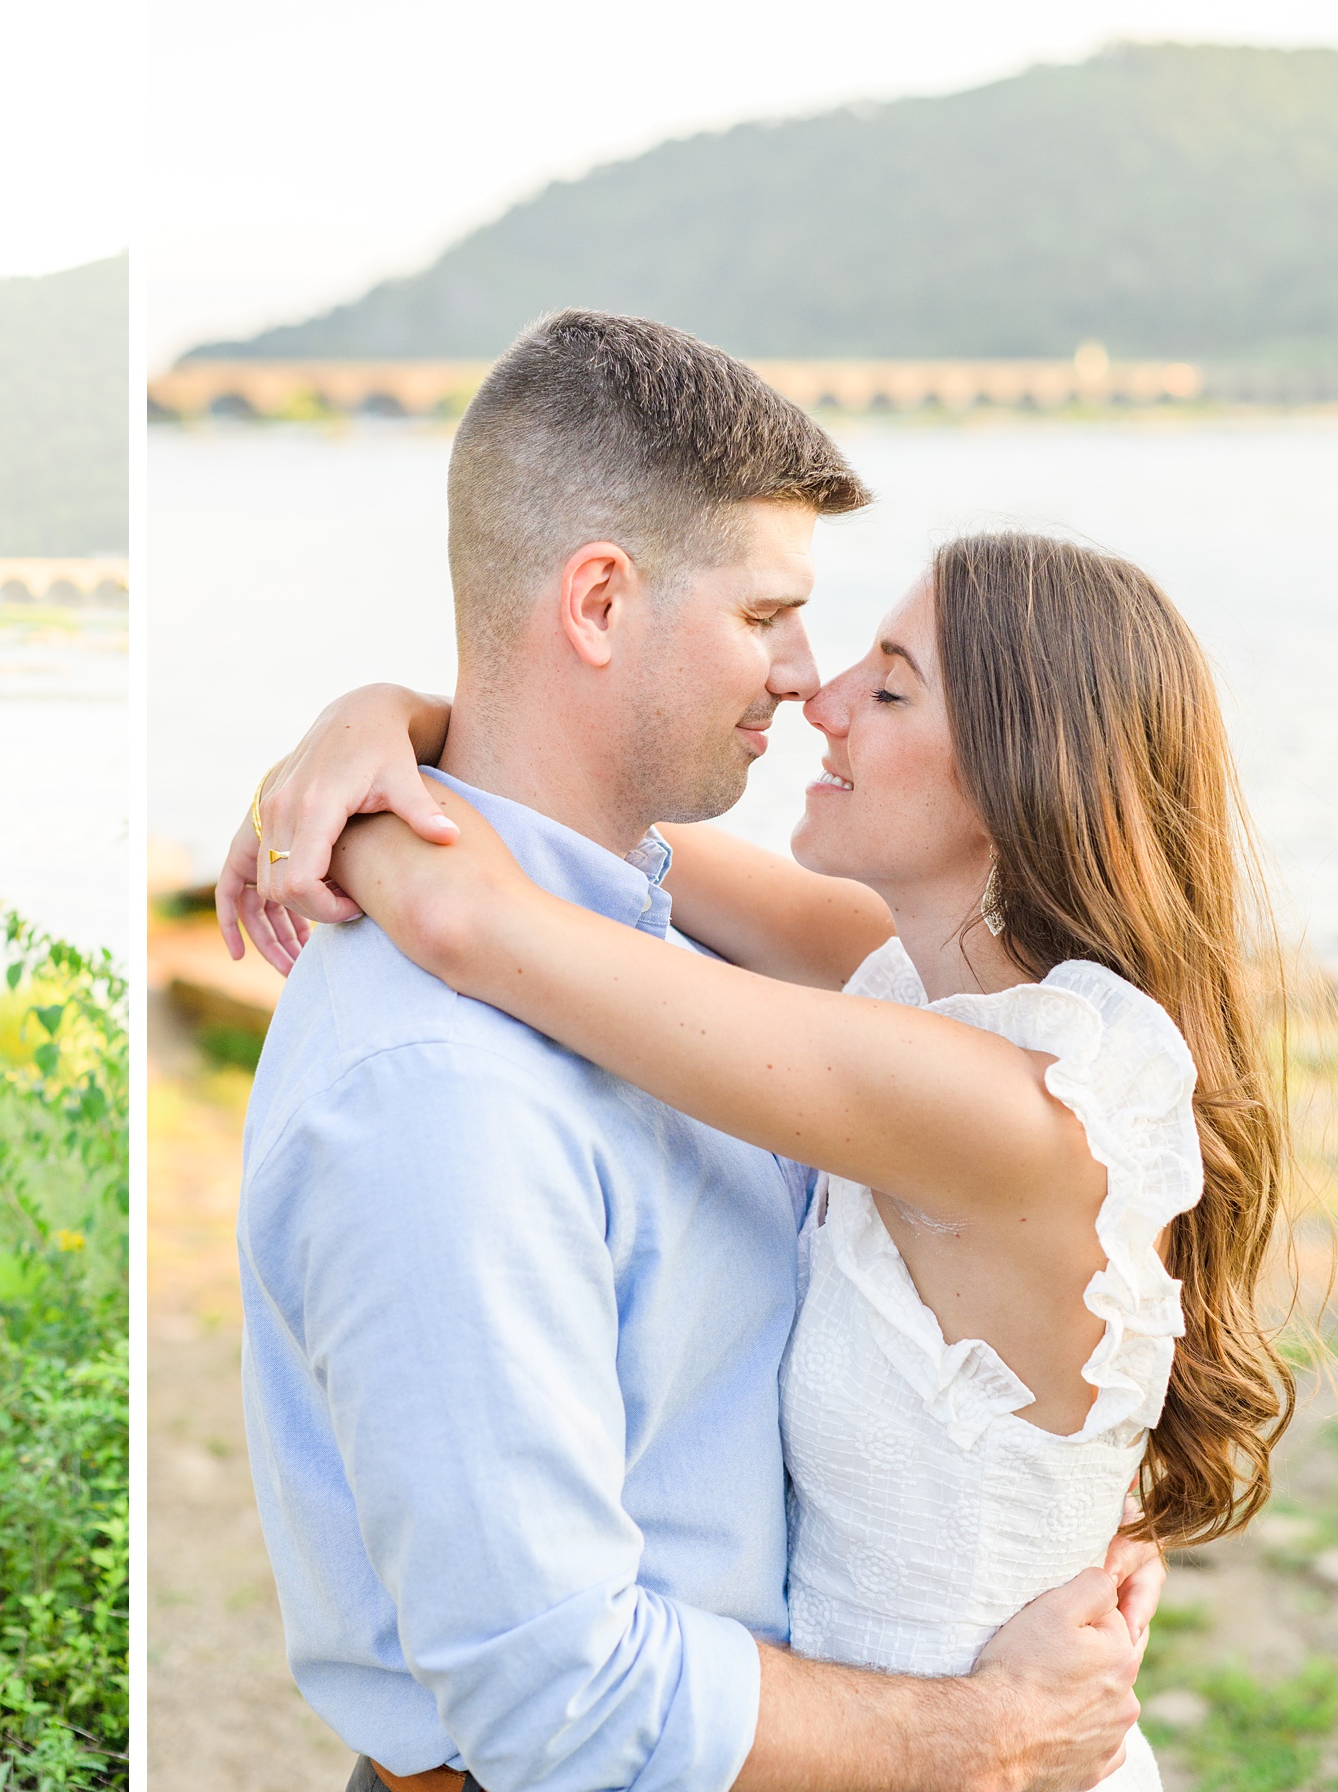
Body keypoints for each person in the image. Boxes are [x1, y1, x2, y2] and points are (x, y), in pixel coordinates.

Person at [215, 312, 1191, 1792]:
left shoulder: (852, 1010)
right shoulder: (445, 1094)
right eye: (769, 617)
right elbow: (563, 1707)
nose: (810, 682)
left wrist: (366, 775)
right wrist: (372, 754)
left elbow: (495, 910)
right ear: (599, 602)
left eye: (878, 667)